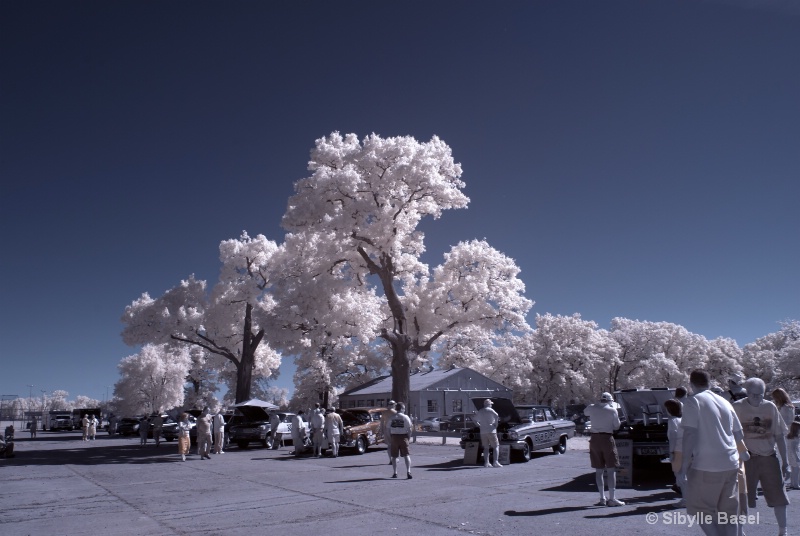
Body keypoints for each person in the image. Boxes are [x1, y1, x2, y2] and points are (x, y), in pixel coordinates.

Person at [679, 369, 747, 536]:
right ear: (709, 383)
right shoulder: (725, 402)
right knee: (728, 516)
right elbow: (739, 433)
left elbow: (689, 434)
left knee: (701, 511)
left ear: (691, 384)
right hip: (730, 463)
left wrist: (683, 467)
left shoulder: (693, 401)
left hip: (706, 465)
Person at [733, 377, 790, 536]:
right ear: (747, 392)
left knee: (779, 496)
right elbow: (730, 436)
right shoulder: (737, 407)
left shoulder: (770, 407)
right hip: (746, 459)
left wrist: (786, 462)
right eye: (754, 395)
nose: (758, 398)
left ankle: (782, 531)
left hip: (768, 457)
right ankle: (739, 531)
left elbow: (779, 436)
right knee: (741, 496)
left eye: (761, 394)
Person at [583, 392, 624, 507]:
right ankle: (612, 498)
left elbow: (585, 412)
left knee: (598, 470)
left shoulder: (592, 408)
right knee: (611, 469)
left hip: (594, 439)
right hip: (607, 438)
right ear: (610, 401)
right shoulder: (612, 410)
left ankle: (602, 498)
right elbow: (616, 426)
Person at [664, 399, 685, 507]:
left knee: (679, 475)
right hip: (686, 449)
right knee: (686, 475)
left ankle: (685, 499)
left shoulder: (672, 421)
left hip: (677, 450)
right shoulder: (682, 420)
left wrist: (671, 452)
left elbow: (672, 437)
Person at [389, 402, 413, 479]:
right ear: (402, 409)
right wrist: (408, 438)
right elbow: (409, 429)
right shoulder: (405, 417)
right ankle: (408, 471)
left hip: (394, 437)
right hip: (403, 436)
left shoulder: (392, 417)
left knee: (394, 456)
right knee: (406, 455)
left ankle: (395, 472)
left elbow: (387, 428)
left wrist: (390, 437)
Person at [476, 399, 502, 468]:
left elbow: (475, 420)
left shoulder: (480, 411)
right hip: (491, 430)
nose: (491, 405)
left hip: (483, 431)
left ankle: (486, 463)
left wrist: (479, 426)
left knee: (486, 448)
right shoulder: (490, 410)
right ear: (489, 404)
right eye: (491, 404)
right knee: (496, 446)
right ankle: (495, 462)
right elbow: (497, 416)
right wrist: (495, 425)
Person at [380, 400, 397, 464]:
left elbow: (381, 422)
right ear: (393, 405)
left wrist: (382, 431)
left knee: (389, 445)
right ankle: (395, 458)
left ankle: (391, 459)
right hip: (394, 429)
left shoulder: (384, 412)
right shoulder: (395, 412)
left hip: (387, 429)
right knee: (395, 445)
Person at [787, 421, 800, 490]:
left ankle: (792, 483)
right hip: (795, 456)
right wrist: (797, 457)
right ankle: (796, 484)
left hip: (790, 456)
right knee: (796, 470)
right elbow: (793, 448)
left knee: (793, 470)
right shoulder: (795, 437)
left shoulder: (790, 436)